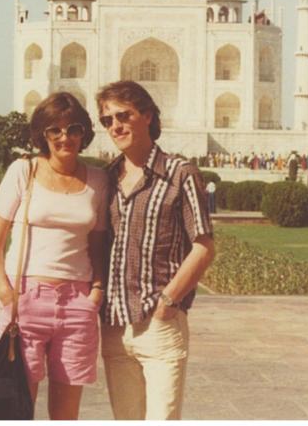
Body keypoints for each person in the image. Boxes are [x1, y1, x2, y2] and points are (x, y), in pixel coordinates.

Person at [0, 92, 109, 420]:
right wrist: (4, 292)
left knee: (66, 416)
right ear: (43, 134)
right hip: (25, 299)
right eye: (55, 130)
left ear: (85, 133)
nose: (64, 137)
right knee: (17, 408)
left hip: (77, 304)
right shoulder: (23, 170)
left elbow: (97, 245)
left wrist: (96, 290)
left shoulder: (97, 180)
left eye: (74, 129)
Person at [96, 81, 215, 420]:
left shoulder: (180, 173)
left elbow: (204, 246)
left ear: (147, 115)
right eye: (107, 120)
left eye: (124, 115)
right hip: (116, 327)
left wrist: (168, 301)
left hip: (160, 325)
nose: (116, 126)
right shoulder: (107, 179)